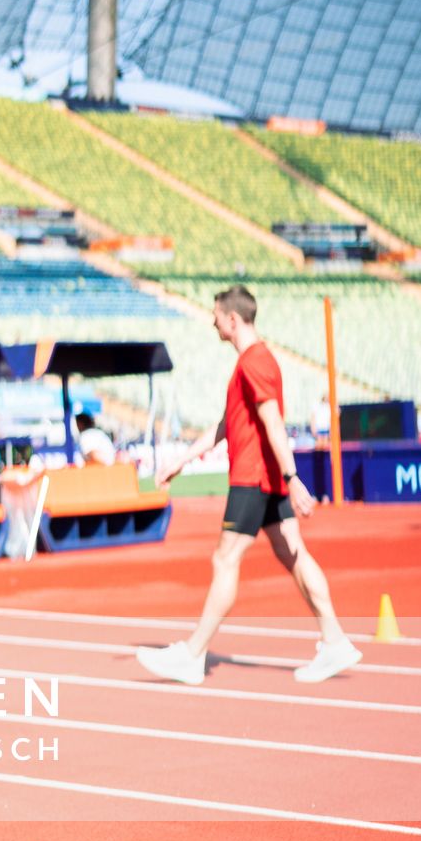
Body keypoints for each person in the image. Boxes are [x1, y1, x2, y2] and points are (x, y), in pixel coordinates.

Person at [137, 286, 361, 686]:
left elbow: (272, 421)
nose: (212, 321)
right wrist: (182, 461)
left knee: (225, 560)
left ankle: (192, 655)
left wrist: (292, 478)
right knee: (293, 554)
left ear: (233, 319)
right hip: (266, 476)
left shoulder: (254, 363)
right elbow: (227, 425)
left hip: (254, 478)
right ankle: (335, 640)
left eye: (216, 316)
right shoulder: (253, 362)